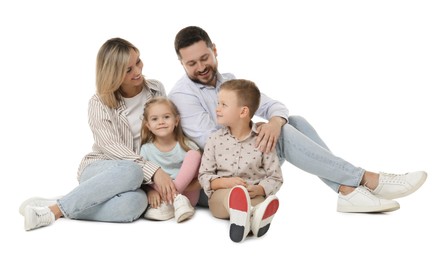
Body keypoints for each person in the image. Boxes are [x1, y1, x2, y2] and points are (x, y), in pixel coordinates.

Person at [168, 25, 428, 213]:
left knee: (294, 121)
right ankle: (366, 180)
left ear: (214, 50)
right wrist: (257, 127)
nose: (201, 67)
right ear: (181, 63)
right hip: (220, 177)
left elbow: (273, 105)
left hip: (247, 161)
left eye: (205, 58)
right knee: (285, 135)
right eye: (191, 63)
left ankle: (347, 191)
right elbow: (215, 139)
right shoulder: (182, 94)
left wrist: (274, 121)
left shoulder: (228, 79)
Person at [19, 37, 179, 231]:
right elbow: (112, 148)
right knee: (131, 170)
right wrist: (153, 171)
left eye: (137, 62)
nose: (137, 71)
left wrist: (151, 181)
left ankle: (65, 202)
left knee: (135, 204)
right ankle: (52, 213)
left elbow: (162, 137)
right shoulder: (99, 103)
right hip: (103, 168)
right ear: (113, 73)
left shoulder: (156, 90)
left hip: (138, 179)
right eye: (127, 70)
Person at [199, 79, 282, 242]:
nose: (217, 109)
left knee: (258, 202)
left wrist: (260, 189)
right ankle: (251, 216)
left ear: (243, 112)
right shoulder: (215, 139)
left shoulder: (262, 139)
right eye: (218, 103)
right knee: (229, 198)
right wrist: (225, 183)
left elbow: (276, 177)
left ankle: (249, 217)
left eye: (223, 104)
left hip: (253, 195)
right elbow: (204, 175)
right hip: (221, 198)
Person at [140, 96, 202, 223]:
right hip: (160, 195)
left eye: (166, 117)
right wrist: (150, 191)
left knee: (194, 155)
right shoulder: (146, 149)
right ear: (148, 125)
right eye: (155, 119)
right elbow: (143, 179)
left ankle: (173, 200)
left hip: (187, 194)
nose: (161, 122)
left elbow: (202, 177)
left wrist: (179, 188)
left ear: (176, 120)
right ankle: (174, 202)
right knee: (141, 170)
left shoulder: (187, 145)